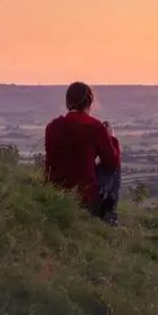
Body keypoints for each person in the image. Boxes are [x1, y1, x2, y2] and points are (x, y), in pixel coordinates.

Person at [45, 82, 121, 225]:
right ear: (90, 102)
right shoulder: (95, 127)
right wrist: (111, 138)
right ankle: (108, 217)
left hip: (53, 193)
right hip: (84, 198)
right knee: (114, 169)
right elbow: (111, 162)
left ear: (67, 102)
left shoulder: (52, 126)